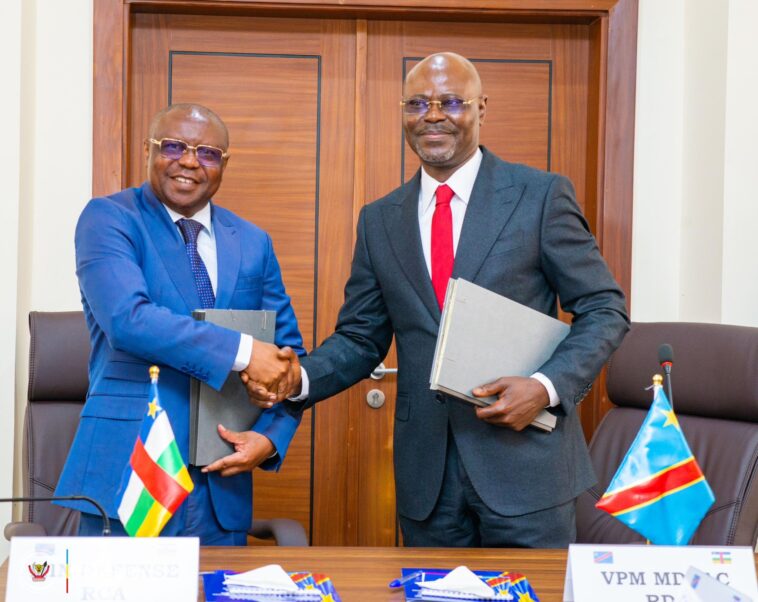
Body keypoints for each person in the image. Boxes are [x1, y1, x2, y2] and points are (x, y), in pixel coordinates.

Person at [252, 52, 630, 547]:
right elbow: (361, 338)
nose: (432, 115)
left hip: (528, 472)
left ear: (481, 108)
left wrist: (545, 387)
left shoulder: (539, 196)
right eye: (417, 103)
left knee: (536, 588)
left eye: (451, 102)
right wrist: (297, 378)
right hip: (426, 478)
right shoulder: (380, 219)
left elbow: (604, 308)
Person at [55, 103, 303, 545]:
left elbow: (288, 360)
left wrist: (270, 439)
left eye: (207, 153)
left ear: (224, 164)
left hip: (221, 481)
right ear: (148, 150)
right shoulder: (110, 219)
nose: (189, 161)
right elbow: (128, 320)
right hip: (130, 476)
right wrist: (245, 352)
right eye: (173, 146)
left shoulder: (253, 242)